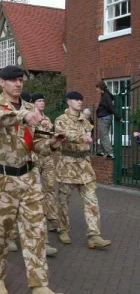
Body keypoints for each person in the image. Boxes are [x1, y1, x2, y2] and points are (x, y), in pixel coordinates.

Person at [0, 65, 64, 294]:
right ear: (2, 83)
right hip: (2, 181)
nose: (18, 84)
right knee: (0, 234)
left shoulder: (31, 108)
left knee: (36, 232)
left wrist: (50, 144)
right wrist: (24, 116)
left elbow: (35, 143)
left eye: (20, 80)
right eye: (12, 80)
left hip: (29, 179)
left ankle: (39, 283)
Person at [55, 91, 111, 249]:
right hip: (68, 164)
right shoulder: (61, 120)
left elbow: (89, 137)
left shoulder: (85, 121)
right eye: (75, 99)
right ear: (68, 102)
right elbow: (64, 134)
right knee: (63, 201)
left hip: (84, 165)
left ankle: (94, 235)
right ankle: (63, 230)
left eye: (80, 99)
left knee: (91, 200)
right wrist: (83, 137)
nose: (79, 102)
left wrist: (86, 137)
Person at [31, 93, 59, 256]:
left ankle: (52, 219)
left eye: (43, 100)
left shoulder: (48, 119)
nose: (42, 103)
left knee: (49, 188)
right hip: (34, 157)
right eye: (39, 101)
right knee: (36, 193)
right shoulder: (30, 119)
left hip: (47, 157)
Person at [96, 81, 122, 159]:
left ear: (101, 88)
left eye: (97, 88)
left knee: (104, 135)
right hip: (104, 118)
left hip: (104, 118)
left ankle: (110, 153)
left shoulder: (106, 96)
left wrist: (118, 117)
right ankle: (101, 151)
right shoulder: (104, 95)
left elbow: (111, 107)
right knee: (103, 134)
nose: (96, 90)